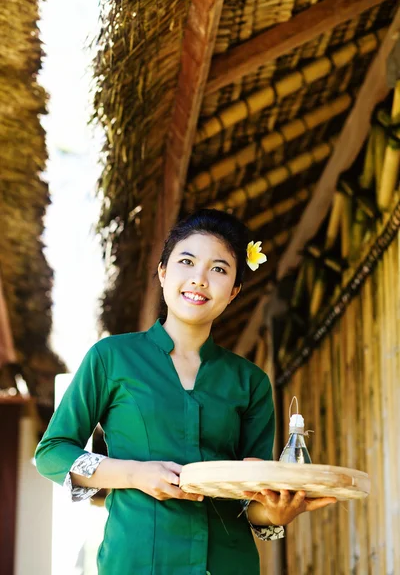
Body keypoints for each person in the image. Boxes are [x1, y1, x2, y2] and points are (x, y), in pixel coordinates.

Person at [35, 209, 336, 575]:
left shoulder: (251, 382)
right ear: (163, 272)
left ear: (235, 291)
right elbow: (52, 454)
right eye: (187, 261)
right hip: (137, 561)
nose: (199, 279)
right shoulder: (111, 358)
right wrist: (135, 475)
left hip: (228, 564)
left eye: (219, 269)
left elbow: (253, 501)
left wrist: (275, 512)